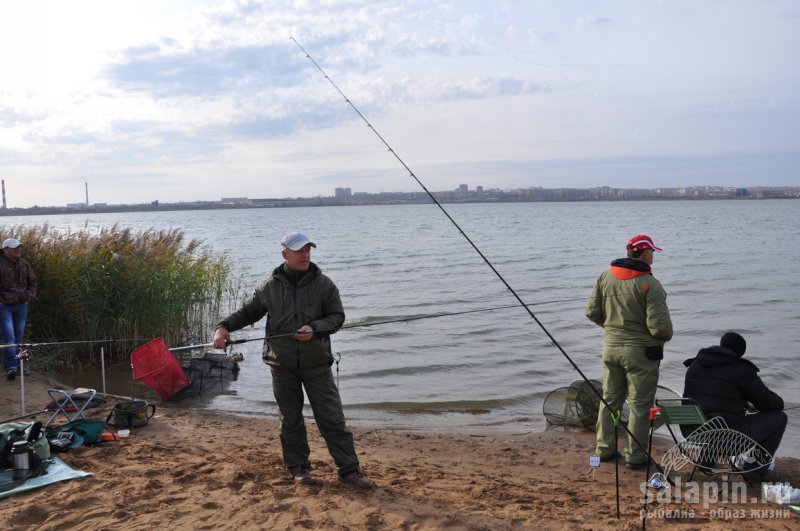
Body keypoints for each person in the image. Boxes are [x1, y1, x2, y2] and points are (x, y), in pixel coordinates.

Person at [212, 232, 371, 489]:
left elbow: (337, 317)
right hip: (281, 365)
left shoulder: (324, 285)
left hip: (317, 363)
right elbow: (247, 312)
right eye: (299, 251)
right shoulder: (270, 287)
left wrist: (314, 328)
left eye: (308, 250)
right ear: (284, 254)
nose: (305, 255)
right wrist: (223, 328)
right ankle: (299, 469)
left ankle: (349, 470)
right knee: (290, 419)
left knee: (331, 418)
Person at [585, 234, 673, 469]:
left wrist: (613, 330)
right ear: (644, 254)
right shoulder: (649, 284)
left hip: (611, 349)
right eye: (652, 252)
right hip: (641, 355)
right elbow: (661, 329)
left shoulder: (605, 276)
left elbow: (592, 312)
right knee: (640, 405)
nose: (653, 256)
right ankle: (635, 457)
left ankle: (604, 450)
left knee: (610, 400)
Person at [682, 332, 787, 480]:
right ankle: (754, 471)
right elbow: (769, 402)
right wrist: (763, 404)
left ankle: (706, 458)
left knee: (710, 415)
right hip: (729, 440)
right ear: (740, 353)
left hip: (693, 433)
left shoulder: (695, 365)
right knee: (780, 417)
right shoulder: (741, 369)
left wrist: (744, 403)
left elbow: (715, 396)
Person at [0, 238, 37, 381]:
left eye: (19, 247)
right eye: (15, 247)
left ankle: (18, 366)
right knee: (9, 337)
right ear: (5, 250)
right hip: (4, 307)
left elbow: (33, 281)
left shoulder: (24, 264)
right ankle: (11, 368)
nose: (18, 249)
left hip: (21, 306)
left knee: (19, 337)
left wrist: (28, 296)